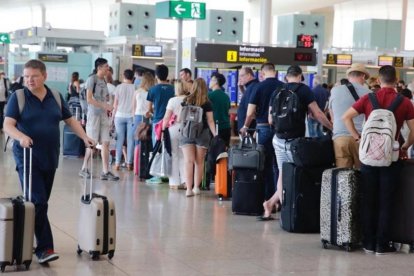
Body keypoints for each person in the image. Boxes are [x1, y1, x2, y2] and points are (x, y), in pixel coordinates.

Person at [3, 59, 95, 264]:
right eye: (26, 76)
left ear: (44, 76)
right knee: (38, 201)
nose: (29, 80)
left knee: (39, 203)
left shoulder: (55, 95)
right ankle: (45, 248)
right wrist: (21, 137)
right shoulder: (18, 97)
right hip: (26, 158)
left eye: (33, 76)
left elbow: (70, 120)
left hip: (50, 157)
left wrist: (85, 137)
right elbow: (8, 125)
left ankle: (29, 238)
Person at [342, 65, 414, 255]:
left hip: (369, 157)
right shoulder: (405, 102)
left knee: (369, 199)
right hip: (392, 156)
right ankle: (382, 244)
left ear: (379, 79)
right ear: (396, 79)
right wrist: (405, 146)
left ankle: (368, 243)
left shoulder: (368, 98)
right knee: (387, 200)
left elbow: (346, 117)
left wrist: (358, 138)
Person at [261, 65, 333, 220]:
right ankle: (287, 213)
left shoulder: (277, 91)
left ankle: (272, 203)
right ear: (300, 76)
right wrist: (331, 127)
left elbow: (270, 119)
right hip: (296, 142)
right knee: (293, 175)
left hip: (278, 139)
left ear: (287, 77)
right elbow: (318, 113)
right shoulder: (304, 90)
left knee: (282, 174)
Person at [240, 62, 283, 203]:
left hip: (263, 128)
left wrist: (245, 126)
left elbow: (250, 112)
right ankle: (278, 199)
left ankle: (266, 197)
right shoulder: (283, 86)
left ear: (262, 74)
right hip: (281, 130)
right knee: (279, 165)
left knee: (264, 164)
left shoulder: (259, 87)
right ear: (275, 72)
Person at [79, 58, 119, 181]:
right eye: (106, 66)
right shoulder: (92, 79)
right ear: (99, 67)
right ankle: (84, 169)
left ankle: (106, 171)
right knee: (92, 143)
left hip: (103, 115)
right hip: (93, 115)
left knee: (106, 143)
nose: (108, 68)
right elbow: (89, 99)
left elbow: (105, 97)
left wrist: (109, 104)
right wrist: (105, 106)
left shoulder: (104, 81)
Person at [329, 63, 371, 169]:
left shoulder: (335, 90)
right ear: (363, 76)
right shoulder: (369, 94)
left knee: (343, 176)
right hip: (360, 137)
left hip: (340, 138)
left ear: (349, 76)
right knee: (361, 173)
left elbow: (331, 112)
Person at [180, 78, 216, 197]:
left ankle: (188, 189)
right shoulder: (207, 103)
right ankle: (196, 188)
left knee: (188, 162)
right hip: (202, 134)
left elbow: (181, 119)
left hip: (187, 133)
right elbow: (210, 121)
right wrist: (215, 134)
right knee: (199, 162)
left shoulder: (186, 100)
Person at [145, 64, 175, 184]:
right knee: (169, 148)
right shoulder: (173, 89)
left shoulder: (153, 89)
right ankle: (168, 174)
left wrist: (151, 113)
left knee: (157, 147)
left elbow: (149, 109)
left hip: (157, 122)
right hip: (171, 123)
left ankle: (158, 174)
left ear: (156, 75)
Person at [162, 80, 188, 189]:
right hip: (186, 129)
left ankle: (174, 182)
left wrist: (163, 129)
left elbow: (167, 117)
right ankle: (185, 181)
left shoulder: (172, 100)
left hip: (173, 129)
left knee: (174, 155)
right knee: (184, 156)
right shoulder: (189, 99)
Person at [112, 69, 136, 171]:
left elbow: (115, 104)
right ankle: (129, 163)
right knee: (130, 140)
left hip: (119, 115)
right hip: (131, 116)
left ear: (124, 76)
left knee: (119, 140)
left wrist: (112, 117)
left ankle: (117, 163)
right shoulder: (135, 88)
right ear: (132, 77)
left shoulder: (118, 87)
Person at [208, 72, 231, 146]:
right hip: (226, 127)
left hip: (214, 128)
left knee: (213, 153)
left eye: (211, 80)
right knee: (223, 153)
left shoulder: (209, 96)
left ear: (216, 82)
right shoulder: (226, 96)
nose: (209, 82)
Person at [134, 72, 156, 143]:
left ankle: (136, 153)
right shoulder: (152, 92)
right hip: (148, 117)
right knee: (147, 138)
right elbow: (153, 107)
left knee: (137, 138)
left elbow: (133, 106)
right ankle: (146, 153)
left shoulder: (137, 92)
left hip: (138, 116)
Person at [237, 67, 259, 133]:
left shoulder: (252, 87)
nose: (239, 79)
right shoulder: (252, 86)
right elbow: (250, 99)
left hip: (248, 129)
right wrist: (242, 89)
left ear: (249, 75)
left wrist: (245, 126)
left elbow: (251, 111)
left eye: (241, 76)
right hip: (249, 127)